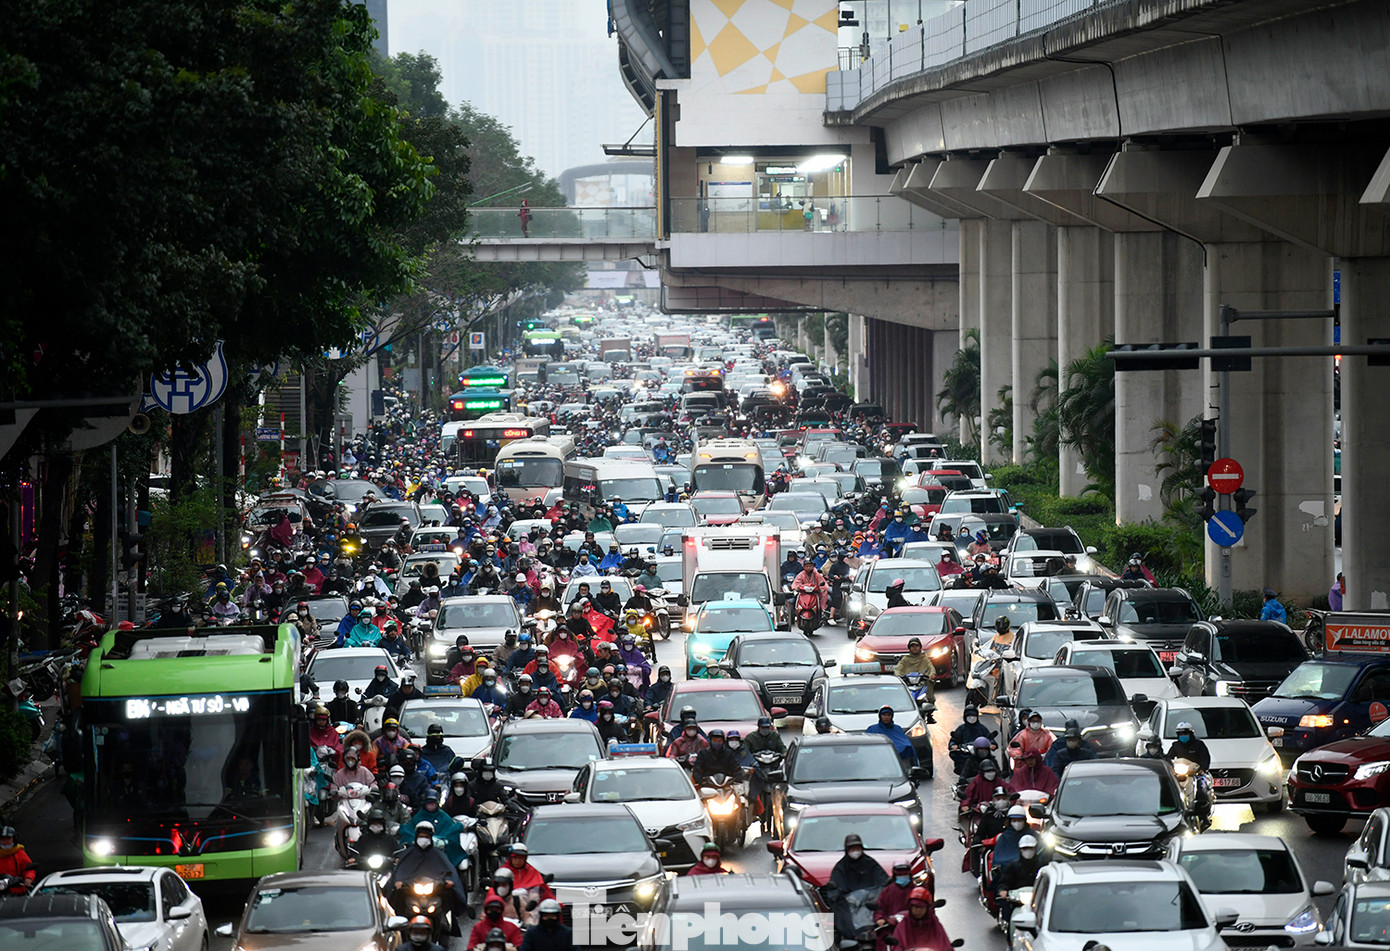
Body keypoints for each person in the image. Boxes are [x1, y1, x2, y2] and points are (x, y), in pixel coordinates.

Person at [389, 822, 467, 930]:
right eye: (421, 837)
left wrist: (448, 881)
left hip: (434, 892)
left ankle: (446, 919)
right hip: (410, 892)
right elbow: (400, 872)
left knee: (449, 896)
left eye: (426, 837)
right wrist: (399, 882)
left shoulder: (438, 854)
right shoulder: (408, 854)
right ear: (416, 837)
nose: (424, 839)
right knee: (397, 898)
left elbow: (448, 871)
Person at [825, 834, 889, 941]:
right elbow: (835, 889)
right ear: (847, 850)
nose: (856, 851)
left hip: (872, 902)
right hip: (850, 904)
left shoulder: (870, 863)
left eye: (858, 848)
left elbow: (883, 882)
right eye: (852, 848)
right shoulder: (840, 868)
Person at [890, 886, 952, 951]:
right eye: (915, 907)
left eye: (922, 907)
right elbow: (897, 945)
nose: (918, 910)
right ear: (910, 907)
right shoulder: (903, 925)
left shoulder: (934, 924)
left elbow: (944, 943)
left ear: (927, 908)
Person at [948, 705, 993, 776]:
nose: (972, 718)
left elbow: (989, 738)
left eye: (974, 715)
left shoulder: (982, 729)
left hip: (980, 754)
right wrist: (953, 745)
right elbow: (954, 740)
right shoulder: (961, 729)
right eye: (969, 716)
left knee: (991, 759)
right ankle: (962, 779)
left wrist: (992, 744)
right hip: (965, 755)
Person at [892, 638, 937, 703]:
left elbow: (931, 668)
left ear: (920, 647)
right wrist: (898, 676)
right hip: (908, 683)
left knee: (929, 685)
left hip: (921, 683)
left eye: (916, 646)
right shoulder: (905, 659)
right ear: (909, 648)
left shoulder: (924, 659)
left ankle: (930, 701)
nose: (914, 648)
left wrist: (932, 674)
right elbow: (898, 669)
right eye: (912, 646)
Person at [0, 826, 36, 894]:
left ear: (14, 839)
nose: (5, 841)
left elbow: (29, 869)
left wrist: (28, 878)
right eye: (2, 839)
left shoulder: (19, 853)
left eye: (8, 838)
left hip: (17, 892)